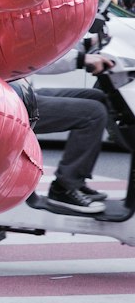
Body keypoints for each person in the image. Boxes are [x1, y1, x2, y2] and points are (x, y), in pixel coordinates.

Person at [15, 46, 116, 214]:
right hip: (10, 101)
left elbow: (43, 48)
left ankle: (76, 181)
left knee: (96, 96)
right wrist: (81, 59)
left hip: (21, 91)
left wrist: (88, 44)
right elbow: (34, 56)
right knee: (92, 113)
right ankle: (64, 188)